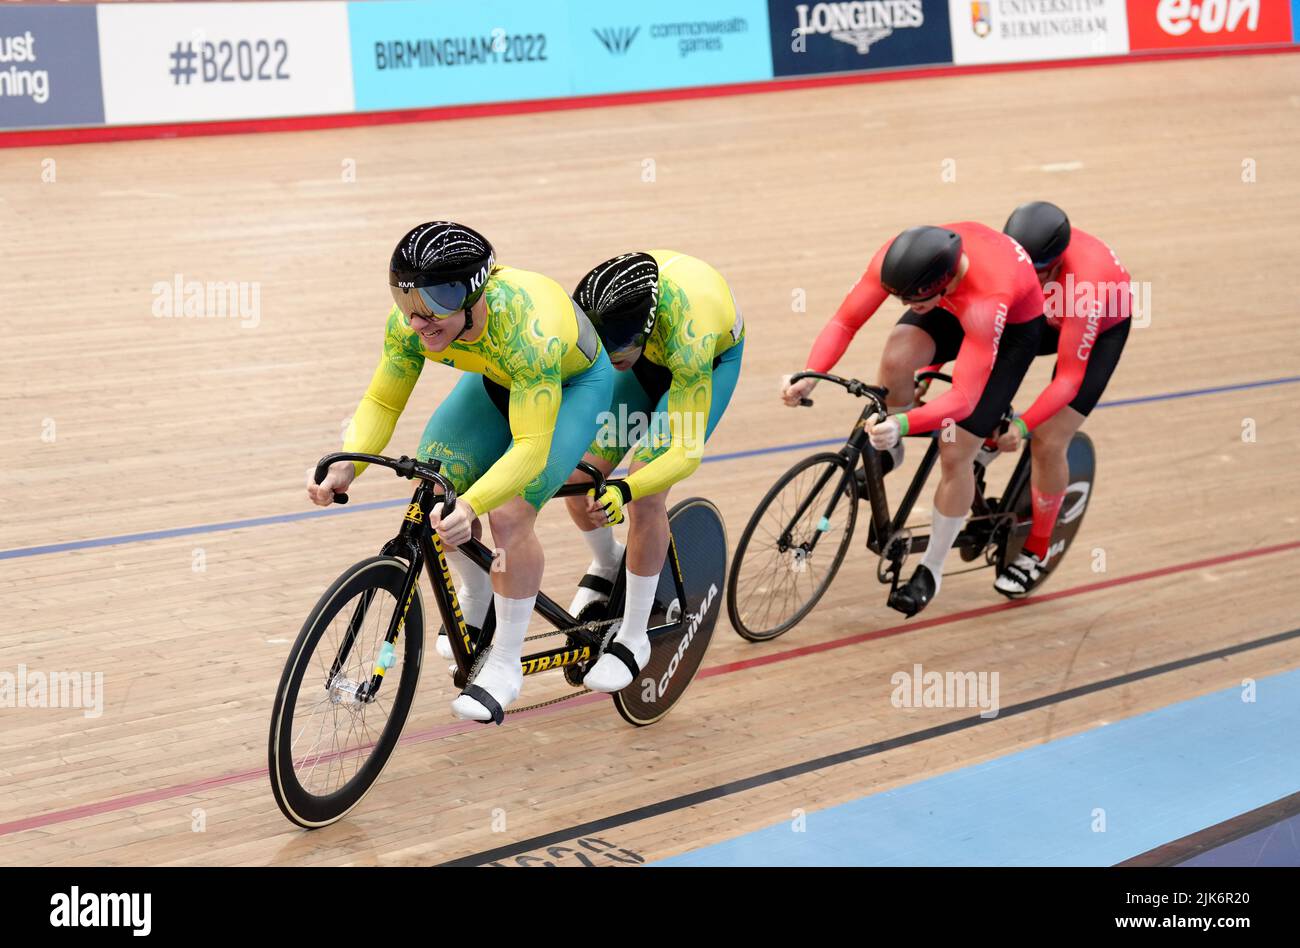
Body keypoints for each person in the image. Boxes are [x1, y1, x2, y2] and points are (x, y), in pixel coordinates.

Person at [307, 221, 613, 725]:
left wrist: (474, 505)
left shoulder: (525, 328)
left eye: (436, 302)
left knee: (510, 515)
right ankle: (477, 600)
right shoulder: (412, 321)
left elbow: (532, 449)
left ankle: (507, 662)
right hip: (497, 377)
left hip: (571, 385)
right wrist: (349, 461)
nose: (420, 320)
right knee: (436, 485)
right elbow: (383, 400)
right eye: (408, 302)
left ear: (474, 295)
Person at [780, 222, 1043, 616]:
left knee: (955, 450)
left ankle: (932, 570)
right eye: (899, 298)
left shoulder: (988, 297)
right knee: (896, 357)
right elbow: (845, 322)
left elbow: (964, 396)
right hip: (953, 302)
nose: (905, 307)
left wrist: (901, 423)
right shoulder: (897, 260)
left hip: (1010, 329)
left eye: (913, 300)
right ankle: (894, 453)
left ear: (946, 281)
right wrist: (809, 375)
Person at [562, 251, 745, 692]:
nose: (607, 357)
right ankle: (607, 562)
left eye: (615, 351)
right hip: (643, 361)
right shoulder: (606, 317)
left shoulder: (690, 332)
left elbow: (685, 453)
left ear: (641, 331)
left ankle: (633, 636)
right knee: (578, 470)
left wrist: (626, 488)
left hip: (705, 365)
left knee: (647, 493)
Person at [993, 201, 1132, 596]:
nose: (1025, 278)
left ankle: (1036, 550)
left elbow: (1068, 380)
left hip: (1099, 327)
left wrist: (1022, 426)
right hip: (1050, 312)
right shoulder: (1020, 263)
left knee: (1048, 440)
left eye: (1035, 273)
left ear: (1054, 264)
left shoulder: (1086, 287)